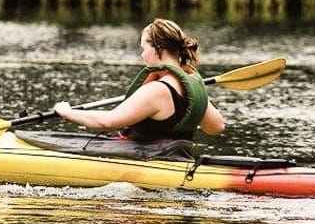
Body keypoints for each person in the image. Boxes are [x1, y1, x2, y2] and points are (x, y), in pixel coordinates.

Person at [53, 18, 225, 142]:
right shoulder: (193, 85)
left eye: (144, 48)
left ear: (159, 49)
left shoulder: (157, 90)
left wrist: (66, 112)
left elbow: (106, 122)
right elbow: (216, 127)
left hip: (146, 162)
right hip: (176, 159)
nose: (142, 55)